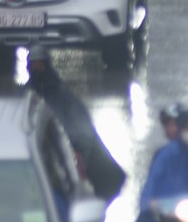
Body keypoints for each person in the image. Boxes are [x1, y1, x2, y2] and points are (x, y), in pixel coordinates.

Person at [27, 56, 126, 199]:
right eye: (34, 66)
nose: (37, 70)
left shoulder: (64, 97)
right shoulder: (27, 97)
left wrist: (77, 155)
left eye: (40, 65)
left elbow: (83, 134)